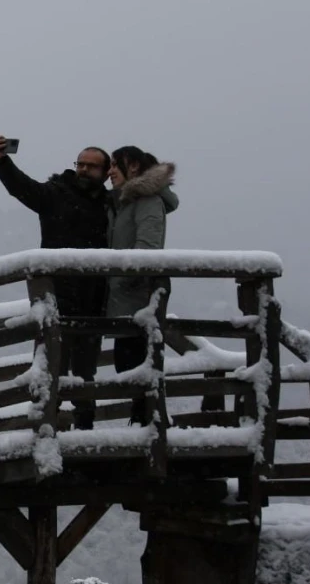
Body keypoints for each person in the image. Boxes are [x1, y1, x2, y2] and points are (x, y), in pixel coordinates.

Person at [0, 136, 110, 429]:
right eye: (80, 164)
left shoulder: (111, 204)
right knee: (51, 366)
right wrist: (1, 162)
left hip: (94, 298)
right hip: (55, 295)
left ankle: (84, 430)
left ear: (106, 173)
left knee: (84, 371)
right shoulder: (56, 194)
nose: (83, 170)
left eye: (91, 166)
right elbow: (22, 188)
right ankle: (47, 430)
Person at [105, 146, 178, 425]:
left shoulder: (146, 201)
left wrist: (119, 280)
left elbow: (147, 249)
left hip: (138, 300)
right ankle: (143, 427)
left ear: (133, 166)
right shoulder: (127, 202)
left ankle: (147, 431)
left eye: (115, 165)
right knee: (130, 370)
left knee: (137, 369)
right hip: (126, 301)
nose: (110, 171)